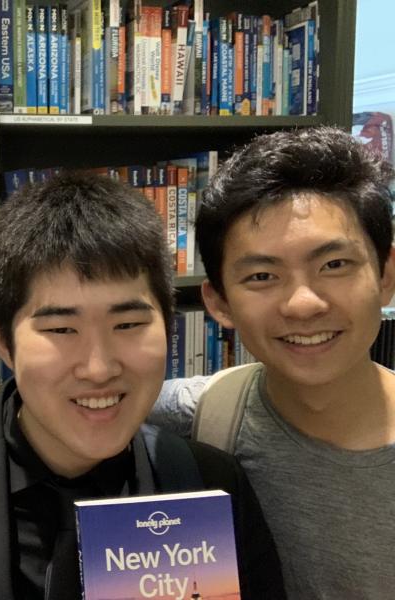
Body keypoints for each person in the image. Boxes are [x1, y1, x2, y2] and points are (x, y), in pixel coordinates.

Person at [0, 171, 284, 600]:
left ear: (169, 329)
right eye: (62, 329)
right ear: (4, 343)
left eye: (129, 324)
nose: (98, 368)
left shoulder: (208, 485)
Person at [148, 126, 395, 598]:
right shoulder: (207, 411)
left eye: (334, 265)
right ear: (218, 301)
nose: (303, 303)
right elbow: (27, 403)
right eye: (262, 275)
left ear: (385, 276)